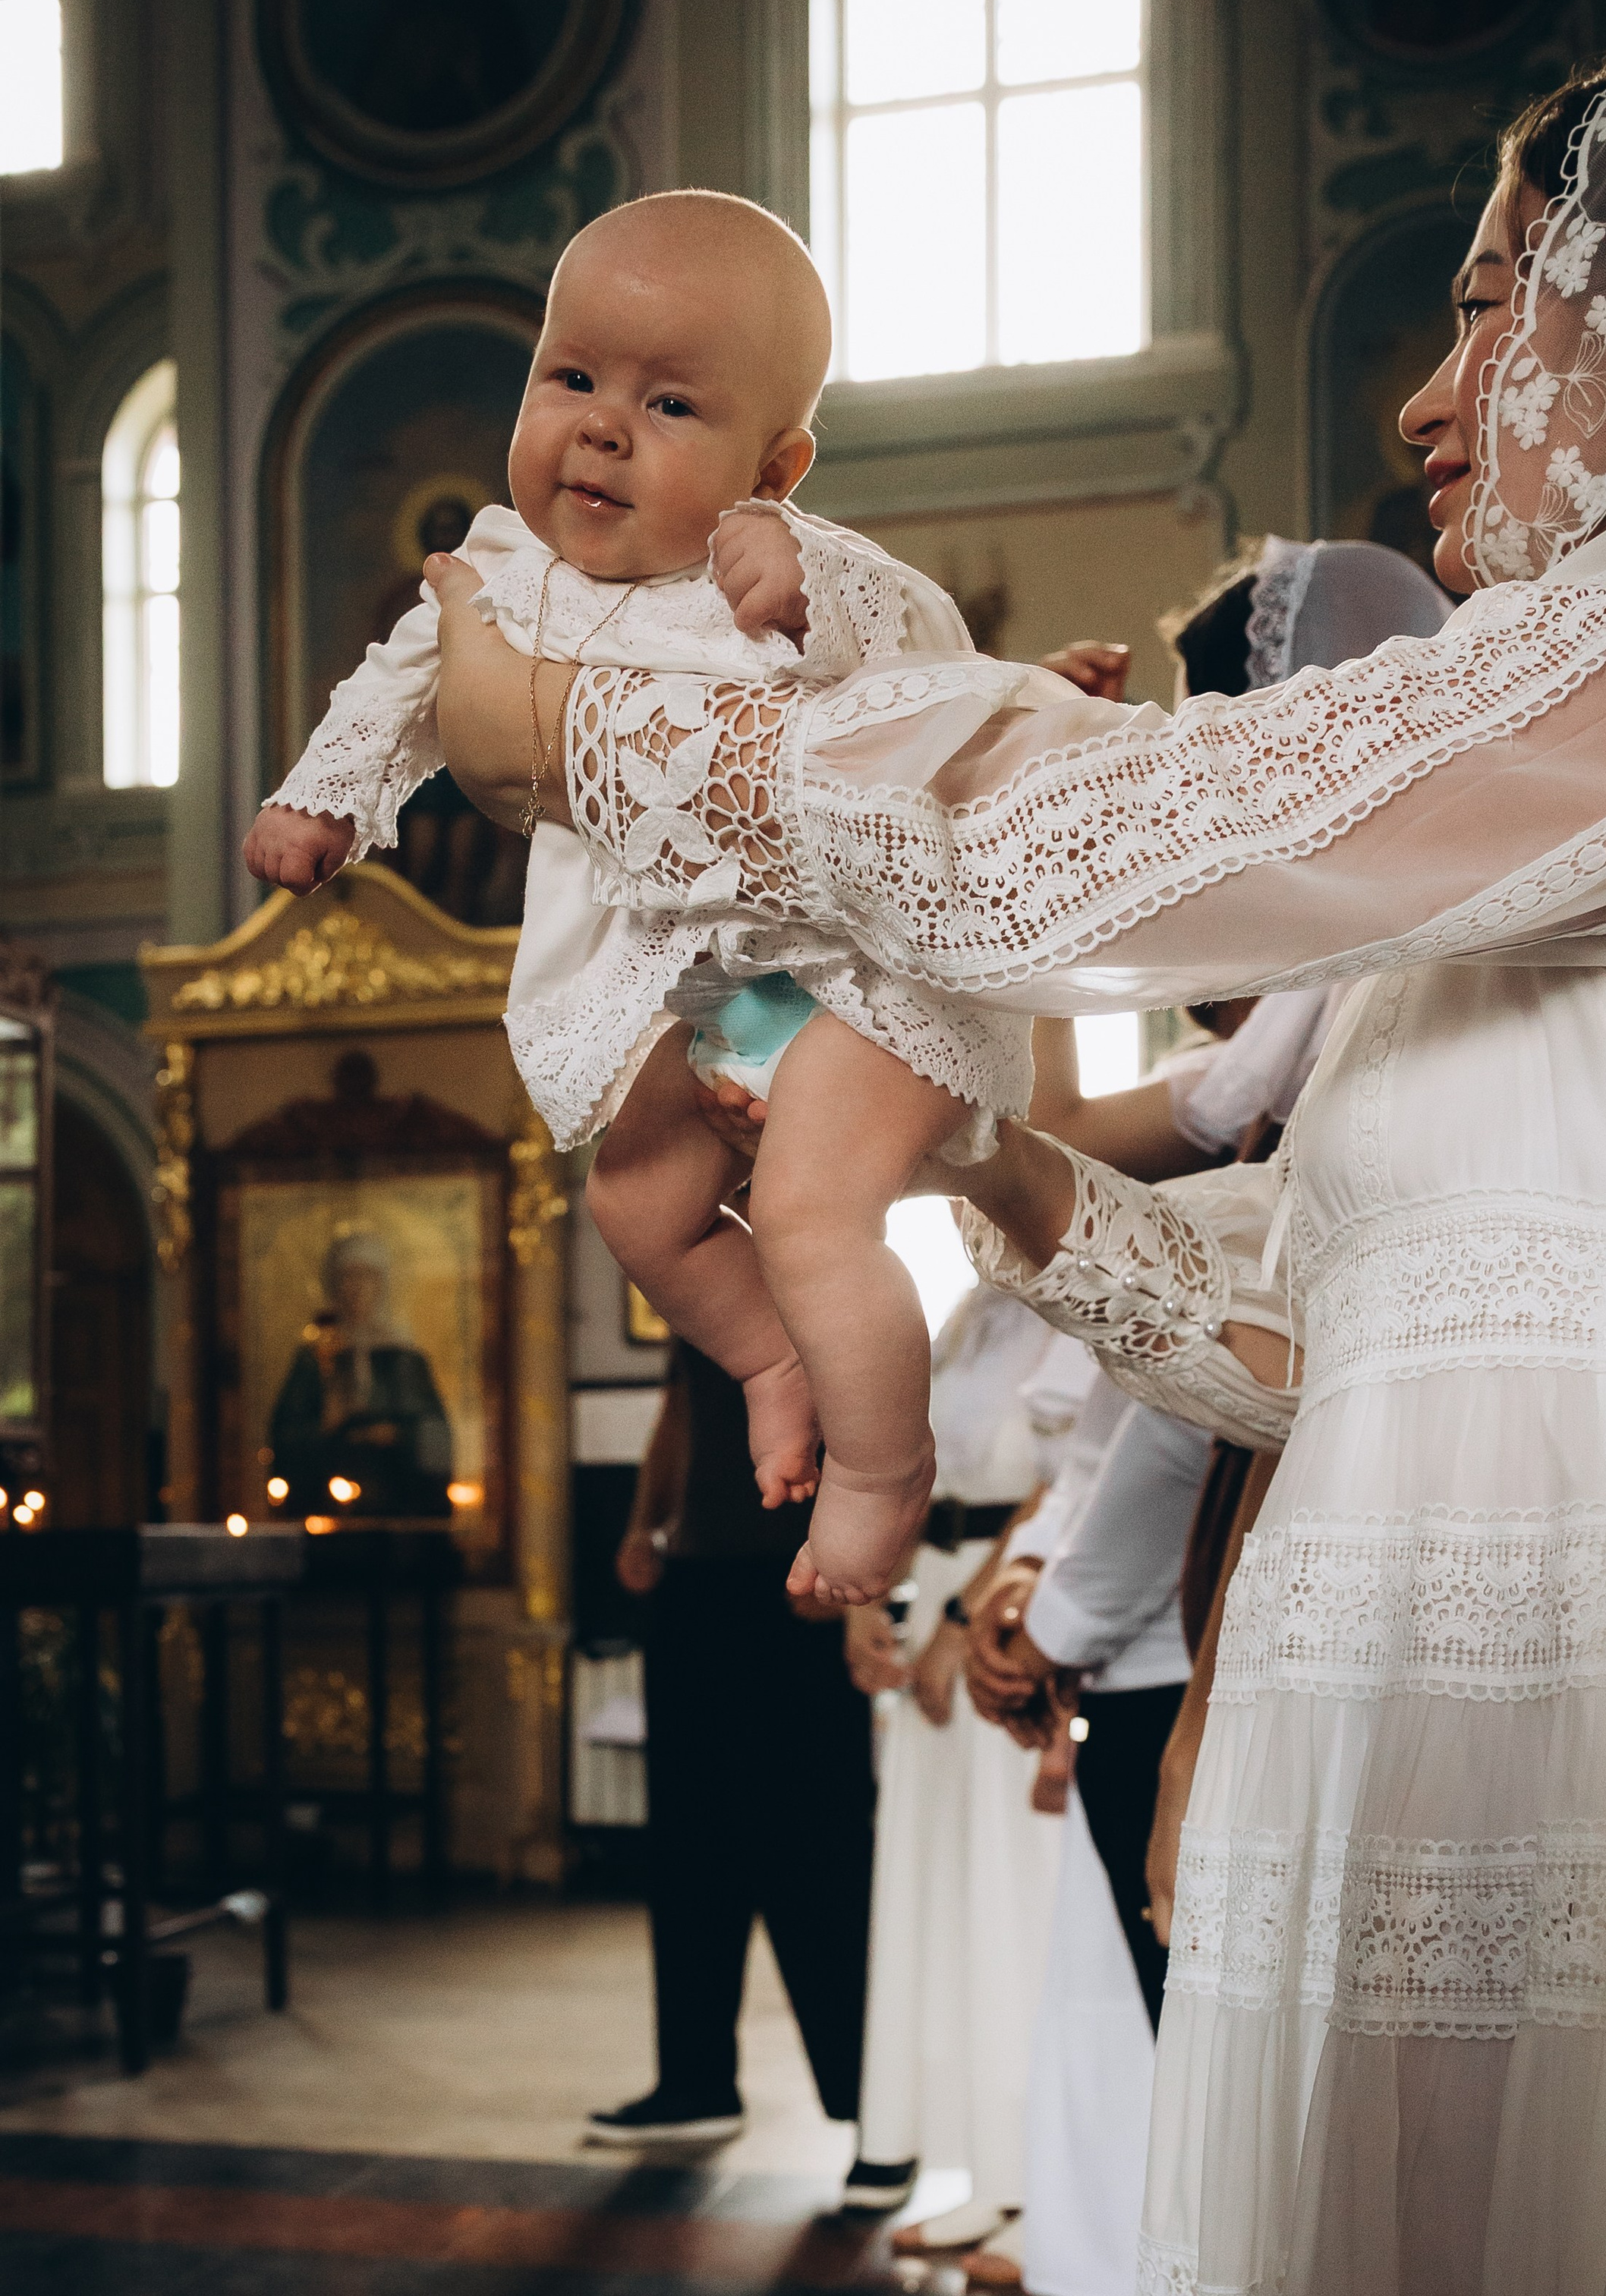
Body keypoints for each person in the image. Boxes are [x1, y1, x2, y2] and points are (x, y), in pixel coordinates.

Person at [434, 38, 1606, 2296]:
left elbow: (1169, 822)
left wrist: (586, 727)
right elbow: (1313, 1335)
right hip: (1422, 1647)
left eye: (1488, 310)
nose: (1422, 394)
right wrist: (1003, 1166)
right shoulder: (1574, 814)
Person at [243, 186, 1082, 1609]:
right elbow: (401, 685)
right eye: (570, 377)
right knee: (637, 1205)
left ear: (779, 461)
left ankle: (885, 1476)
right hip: (669, 983)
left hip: (843, 973)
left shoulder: (798, 565)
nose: (604, 426)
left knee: (816, 1213)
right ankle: (766, 1358)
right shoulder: (500, 573)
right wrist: (323, 793)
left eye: (672, 404)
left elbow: (928, 654)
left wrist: (813, 588)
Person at [588, 1338, 876, 2149]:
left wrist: (850, 1566)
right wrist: (648, 1523)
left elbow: (875, 1422)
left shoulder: (821, 1263)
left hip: (798, 1585)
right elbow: (680, 1410)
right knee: (687, 1847)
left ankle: (864, 2103)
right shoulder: (692, 1285)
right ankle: (694, 2082)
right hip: (698, 1584)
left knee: (816, 1855)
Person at [842, 1287, 1082, 2229]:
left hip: (1011, 1595)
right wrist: (869, 1592)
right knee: (936, 1877)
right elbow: (902, 1464)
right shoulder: (967, 1314)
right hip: (932, 1573)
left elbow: (1061, 1483)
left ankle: (1026, 2175)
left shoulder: (1073, 1297)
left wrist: (957, 1619)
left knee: (1008, 1879)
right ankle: (956, 2151)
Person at [267, 1227, 452, 1520]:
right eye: (348, 1277)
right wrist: (327, 1425)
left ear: (383, 1284)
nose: (357, 1287)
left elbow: (437, 1439)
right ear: (333, 1284)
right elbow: (284, 1442)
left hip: (398, 1516)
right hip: (327, 1514)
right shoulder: (314, 1359)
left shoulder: (405, 1357)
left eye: (367, 1276)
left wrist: (398, 1435)